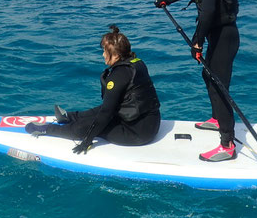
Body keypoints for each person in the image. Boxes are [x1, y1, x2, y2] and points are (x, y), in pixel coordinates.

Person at [154, 0, 239, 162]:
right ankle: (216, 119)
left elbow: (209, 10)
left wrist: (197, 42)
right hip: (218, 34)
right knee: (208, 76)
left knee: (219, 86)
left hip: (224, 35)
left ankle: (227, 145)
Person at [25, 25, 161, 154]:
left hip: (134, 133)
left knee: (83, 126)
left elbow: (106, 114)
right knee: (104, 108)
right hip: (151, 123)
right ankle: (69, 117)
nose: (103, 55)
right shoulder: (136, 63)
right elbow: (118, 105)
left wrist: (87, 140)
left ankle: (46, 129)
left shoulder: (118, 76)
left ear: (115, 55)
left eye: (104, 51)